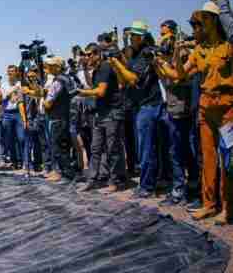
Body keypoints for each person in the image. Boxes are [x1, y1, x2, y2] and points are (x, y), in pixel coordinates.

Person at [160, 0, 233, 224]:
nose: (196, 26)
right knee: (208, 158)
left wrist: (223, 4)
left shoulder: (228, 47)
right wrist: (176, 56)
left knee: (227, 160)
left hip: (227, 109)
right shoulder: (199, 50)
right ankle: (209, 204)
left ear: (213, 21)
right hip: (205, 108)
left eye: (199, 22)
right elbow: (179, 76)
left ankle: (228, 208)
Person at [109, 20, 164, 199]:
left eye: (134, 35)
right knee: (146, 149)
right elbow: (123, 80)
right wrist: (117, 64)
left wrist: (117, 64)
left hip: (149, 106)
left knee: (146, 149)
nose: (131, 38)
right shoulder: (137, 55)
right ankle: (151, 182)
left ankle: (147, 186)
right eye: (130, 35)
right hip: (141, 106)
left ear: (141, 36)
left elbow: (133, 79)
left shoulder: (145, 54)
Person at [154, 20, 195, 206]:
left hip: (185, 110)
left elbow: (178, 77)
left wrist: (173, 57)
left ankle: (192, 189)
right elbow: (165, 80)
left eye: (167, 36)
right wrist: (157, 65)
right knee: (175, 152)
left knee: (188, 152)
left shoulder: (185, 54)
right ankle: (179, 189)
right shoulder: (166, 59)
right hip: (172, 109)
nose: (164, 41)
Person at [78, 44, 127, 192]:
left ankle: (114, 182)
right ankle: (92, 180)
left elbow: (100, 91)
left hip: (112, 113)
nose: (87, 57)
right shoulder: (96, 71)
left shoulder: (105, 67)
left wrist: (82, 92)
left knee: (112, 148)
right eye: (85, 55)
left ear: (98, 54)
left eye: (90, 54)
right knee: (95, 148)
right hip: (101, 114)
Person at [42, 56, 74, 181]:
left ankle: (61, 172)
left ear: (57, 67)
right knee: (62, 145)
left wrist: (44, 101)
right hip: (64, 116)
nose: (48, 67)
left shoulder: (58, 82)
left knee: (58, 146)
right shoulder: (66, 78)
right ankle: (63, 171)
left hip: (57, 118)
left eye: (50, 65)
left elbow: (48, 103)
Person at [0, 65, 26, 171]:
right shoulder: (4, 85)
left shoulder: (21, 83)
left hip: (18, 113)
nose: (10, 73)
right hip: (7, 113)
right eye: (9, 71)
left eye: (12, 71)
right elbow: (3, 97)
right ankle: (14, 162)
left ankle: (24, 161)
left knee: (21, 138)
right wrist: (13, 90)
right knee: (10, 139)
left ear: (16, 72)